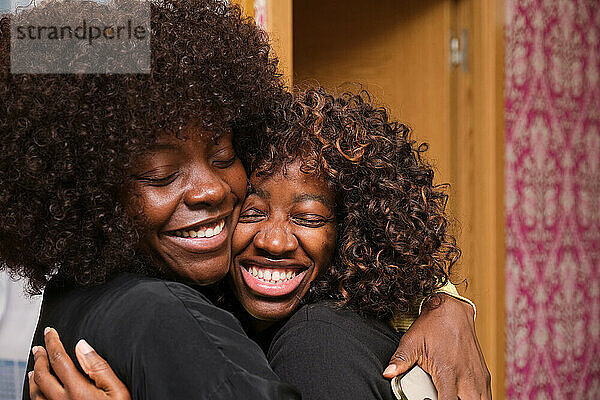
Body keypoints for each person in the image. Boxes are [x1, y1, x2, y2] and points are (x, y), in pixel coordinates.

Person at [28, 89, 491, 400]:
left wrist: (445, 305)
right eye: (251, 212)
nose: (271, 239)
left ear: (354, 233)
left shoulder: (318, 346)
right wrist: (449, 304)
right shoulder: (169, 299)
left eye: (309, 218)